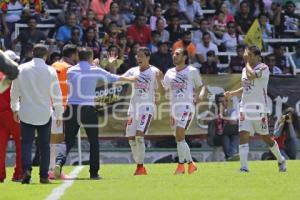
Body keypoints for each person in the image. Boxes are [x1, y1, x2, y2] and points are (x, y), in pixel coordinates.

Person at [54, 47, 136, 180]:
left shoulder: (70, 70)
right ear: (91, 57)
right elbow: (114, 78)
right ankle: (93, 173)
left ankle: (58, 163)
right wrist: (131, 79)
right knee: (93, 141)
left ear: (78, 57)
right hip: (88, 108)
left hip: (71, 108)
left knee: (67, 141)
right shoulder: (95, 70)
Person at [224, 46, 287, 172]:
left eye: (250, 55)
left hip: (259, 109)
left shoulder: (263, 68)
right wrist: (232, 93)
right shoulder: (244, 69)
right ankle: (244, 167)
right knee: (243, 135)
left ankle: (281, 159)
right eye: (247, 54)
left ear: (258, 57)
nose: (247, 56)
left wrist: (247, 63)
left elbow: (252, 76)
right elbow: (246, 87)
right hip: (245, 107)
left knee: (265, 137)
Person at [10, 44, 64, 184]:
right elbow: (56, 94)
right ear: (46, 55)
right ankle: (44, 176)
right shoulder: (50, 71)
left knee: (26, 144)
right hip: (44, 112)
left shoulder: (21, 68)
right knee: (44, 145)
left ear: (32, 53)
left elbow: (14, 91)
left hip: (26, 112)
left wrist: (15, 108)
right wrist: (59, 114)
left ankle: (27, 170)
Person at [163, 48, 205, 175]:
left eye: (177, 54)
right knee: (179, 138)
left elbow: (201, 86)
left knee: (180, 133)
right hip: (174, 109)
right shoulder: (169, 72)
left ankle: (181, 166)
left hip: (187, 107)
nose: (174, 56)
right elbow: (164, 88)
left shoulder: (192, 71)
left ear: (185, 57)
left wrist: (200, 95)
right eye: (173, 54)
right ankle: (191, 164)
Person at [123, 47, 164, 175]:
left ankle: (140, 167)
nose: (139, 58)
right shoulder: (132, 71)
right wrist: (113, 67)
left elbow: (162, 92)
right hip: (133, 108)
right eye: (137, 56)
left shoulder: (155, 71)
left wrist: (158, 80)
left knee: (139, 136)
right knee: (131, 138)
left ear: (148, 57)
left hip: (147, 108)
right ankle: (139, 165)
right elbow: (119, 80)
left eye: (141, 56)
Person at [48, 44, 78, 180]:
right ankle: (54, 170)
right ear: (72, 55)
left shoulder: (54, 65)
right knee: (61, 140)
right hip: (65, 107)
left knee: (54, 140)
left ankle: (51, 169)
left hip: (51, 105)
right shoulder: (70, 69)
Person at [0, 51, 22, 183]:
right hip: (14, 113)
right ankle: (19, 173)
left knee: (0, 146)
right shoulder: (14, 75)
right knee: (21, 144)